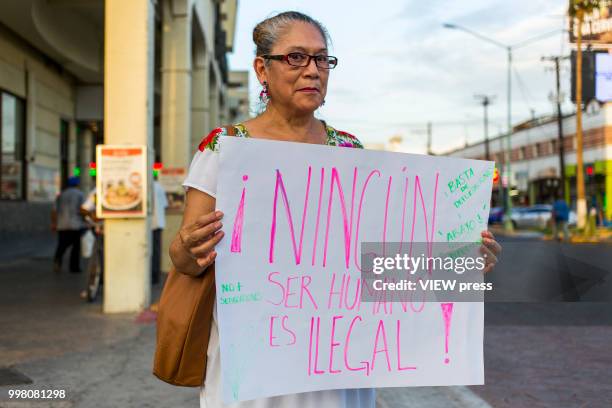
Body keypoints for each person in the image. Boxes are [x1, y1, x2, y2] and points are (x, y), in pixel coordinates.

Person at [169, 11, 502, 408]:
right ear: (262, 68)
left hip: (338, 368)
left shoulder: (349, 151)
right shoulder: (223, 149)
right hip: (255, 372)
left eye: (321, 59)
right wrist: (189, 249)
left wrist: (460, 262)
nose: (312, 70)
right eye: (295, 57)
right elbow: (184, 259)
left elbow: (375, 263)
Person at [52, 176, 85, 273]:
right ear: (77, 184)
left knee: (62, 244)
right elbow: (83, 209)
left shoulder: (61, 195)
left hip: (62, 224)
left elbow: (54, 210)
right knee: (76, 247)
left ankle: (57, 259)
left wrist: (53, 223)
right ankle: (74, 267)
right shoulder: (80, 194)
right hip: (76, 224)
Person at [151, 176, 168, 285]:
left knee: (149, 251)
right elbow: (165, 205)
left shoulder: (146, 187)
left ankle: (151, 275)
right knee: (157, 251)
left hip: (149, 224)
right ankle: (155, 276)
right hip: (158, 223)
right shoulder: (159, 187)